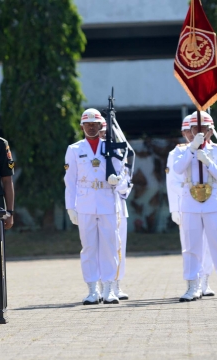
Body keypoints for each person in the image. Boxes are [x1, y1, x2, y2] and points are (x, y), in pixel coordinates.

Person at [172, 111, 217, 301]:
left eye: (203, 129)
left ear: (211, 131)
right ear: (190, 131)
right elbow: (177, 170)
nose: (199, 133)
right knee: (191, 246)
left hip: (212, 202)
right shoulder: (182, 150)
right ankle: (192, 286)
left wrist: (208, 162)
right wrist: (192, 149)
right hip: (190, 202)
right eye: (195, 129)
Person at [64, 108, 125, 305]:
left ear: (101, 126)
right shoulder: (74, 149)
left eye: (95, 124)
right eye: (87, 124)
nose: (91, 127)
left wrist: (117, 180)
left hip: (107, 200)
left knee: (109, 246)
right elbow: (70, 180)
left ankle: (109, 288)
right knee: (89, 247)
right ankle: (92, 289)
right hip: (85, 202)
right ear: (82, 126)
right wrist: (70, 207)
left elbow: (123, 172)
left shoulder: (111, 147)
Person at [99, 121, 132, 300]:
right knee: (97, 247)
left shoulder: (119, 153)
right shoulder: (88, 153)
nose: (103, 135)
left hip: (118, 206)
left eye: (105, 132)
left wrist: (118, 184)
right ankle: (98, 286)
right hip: (98, 207)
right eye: (101, 132)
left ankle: (116, 284)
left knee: (118, 247)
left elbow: (126, 180)